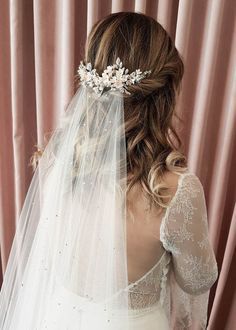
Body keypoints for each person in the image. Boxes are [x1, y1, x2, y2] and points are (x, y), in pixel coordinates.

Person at [0, 11, 218, 330]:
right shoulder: (174, 189)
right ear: (166, 93)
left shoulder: (58, 164)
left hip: (57, 319)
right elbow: (198, 278)